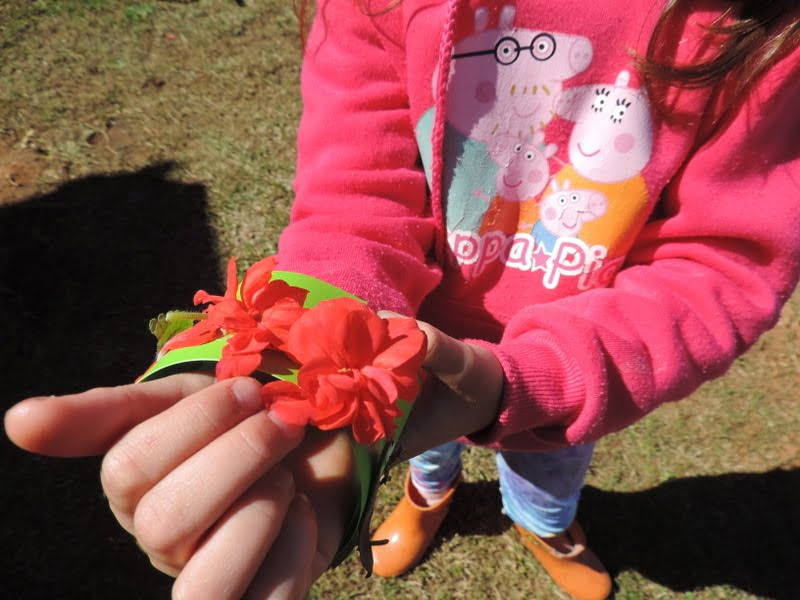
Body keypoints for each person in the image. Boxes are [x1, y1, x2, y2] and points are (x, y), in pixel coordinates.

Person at [5, 0, 800, 598]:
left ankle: (545, 527)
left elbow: (720, 263)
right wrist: (290, 342)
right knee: (425, 443)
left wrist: (521, 382)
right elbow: (359, 199)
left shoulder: (760, 30)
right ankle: (429, 495)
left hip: (564, 372)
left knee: (550, 471)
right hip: (402, 363)